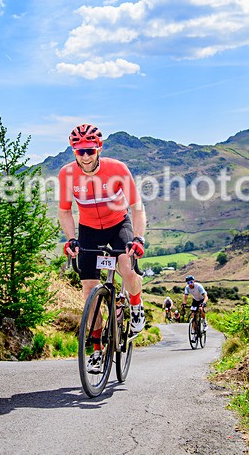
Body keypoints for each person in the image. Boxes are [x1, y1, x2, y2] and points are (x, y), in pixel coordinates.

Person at [58, 124, 147, 373]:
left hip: (118, 224)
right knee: (88, 290)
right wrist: (71, 238)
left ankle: (137, 306)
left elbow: (137, 207)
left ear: (99, 149)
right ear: (73, 151)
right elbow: (65, 210)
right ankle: (96, 349)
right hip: (89, 229)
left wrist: (138, 239)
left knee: (126, 267)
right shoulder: (66, 175)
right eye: (79, 151)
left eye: (89, 150)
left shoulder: (117, 169)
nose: (85, 156)